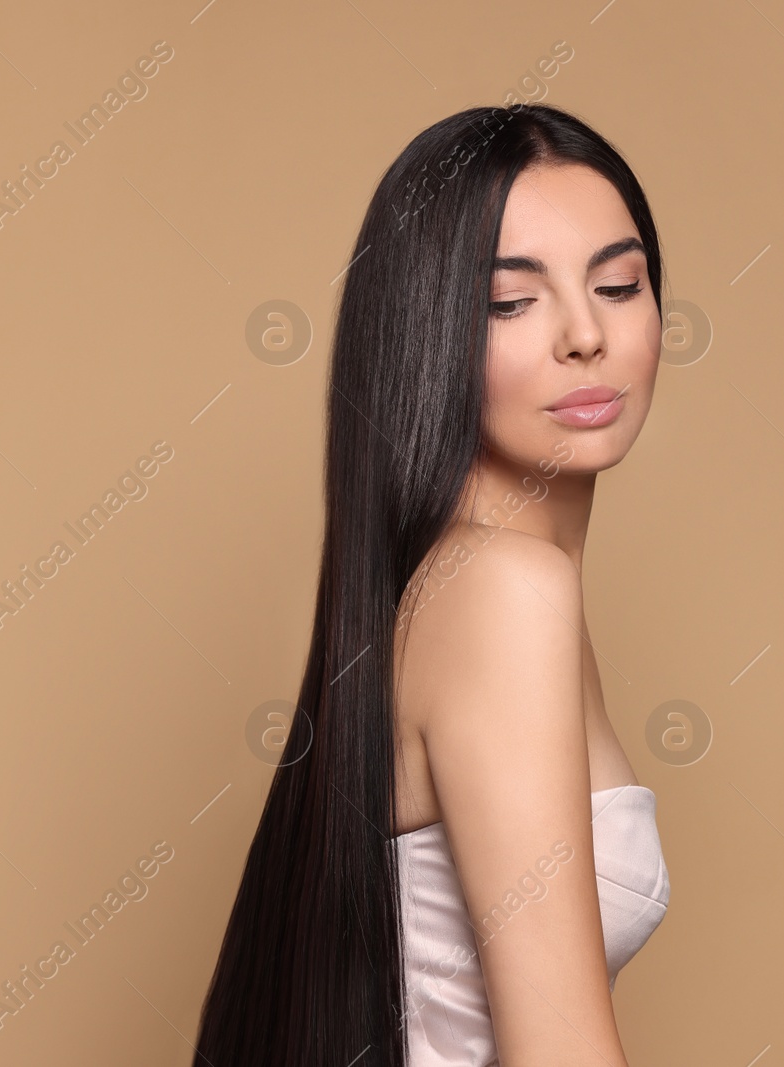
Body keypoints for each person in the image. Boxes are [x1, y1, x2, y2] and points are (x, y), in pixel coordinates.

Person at [195, 101, 670, 1067]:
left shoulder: (469, 582)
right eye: (511, 302)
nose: (585, 334)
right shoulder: (502, 589)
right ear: (427, 335)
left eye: (618, 285)